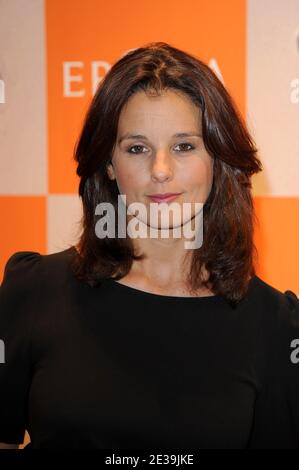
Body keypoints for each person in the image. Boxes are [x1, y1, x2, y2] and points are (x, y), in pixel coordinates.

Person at [0, 41, 299, 449]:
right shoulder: (32, 292)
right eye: (137, 148)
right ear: (109, 163)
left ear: (218, 161)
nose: (160, 170)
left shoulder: (274, 326)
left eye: (184, 146)